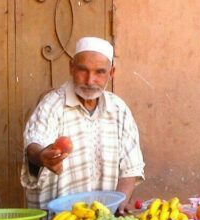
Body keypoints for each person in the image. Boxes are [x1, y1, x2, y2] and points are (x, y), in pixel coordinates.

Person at [20, 36, 144, 210]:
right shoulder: (52, 104)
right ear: (71, 67)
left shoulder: (119, 109)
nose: (89, 80)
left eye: (99, 72)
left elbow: (130, 167)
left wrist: (119, 205)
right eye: (82, 70)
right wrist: (42, 156)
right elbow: (34, 143)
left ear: (111, 73)